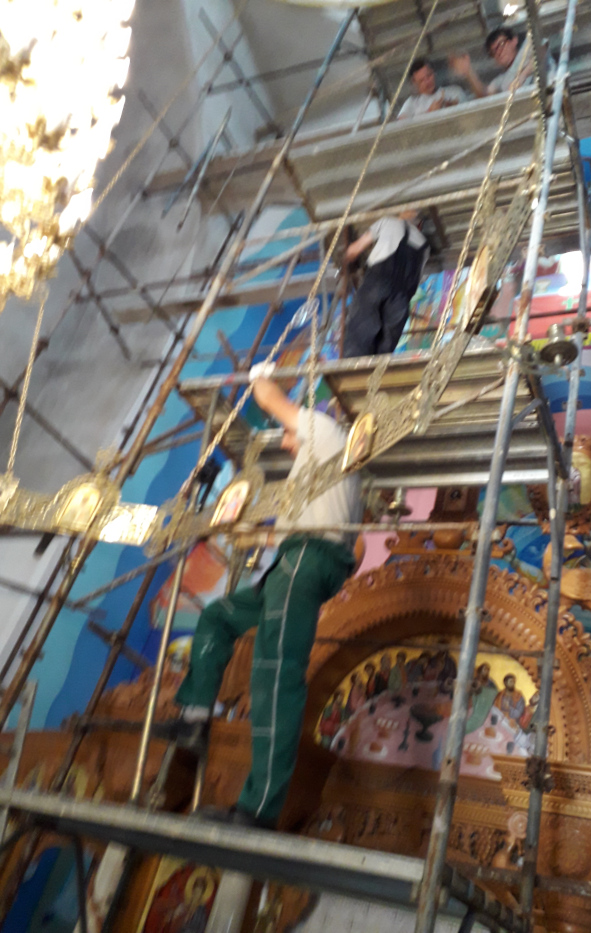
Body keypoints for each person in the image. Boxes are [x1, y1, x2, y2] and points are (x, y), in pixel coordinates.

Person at [168, 362, 362, 829]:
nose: (284, 439)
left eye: (288, 434)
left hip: (305, 559)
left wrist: (261, 373)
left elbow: (270, 399)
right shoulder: (325, 473)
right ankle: (194, 717)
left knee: (275, 672)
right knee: (218, 617)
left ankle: (258, 810)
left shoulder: (326, 432)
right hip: (295, 563)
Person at [343, 211, 429, 358]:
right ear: (419, 225)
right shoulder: (425, 246)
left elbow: (354, 250)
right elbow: (419, 279)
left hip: (376, 283)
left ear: (401, 214)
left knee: (359, 338)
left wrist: (346, 258)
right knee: (383, 352)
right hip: (401, 299)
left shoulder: (388, 222)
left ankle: (353, 367)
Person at [450, 27, 552, 98]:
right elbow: (484, 94)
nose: (499, 52)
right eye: (493, 52)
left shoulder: (527, 47)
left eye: (501, 44)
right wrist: (468, 72)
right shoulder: (501, 80)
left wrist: (522, 76)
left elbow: (541, 52)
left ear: (514, 40)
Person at [398, 58, 468, 120]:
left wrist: (455, 108)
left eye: (429, 75)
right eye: (421, 80)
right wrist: (429, 112)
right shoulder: (411, 103)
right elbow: (401, 125)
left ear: (434, 73)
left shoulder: (454, 91)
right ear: (415, 83)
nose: (427, 82)